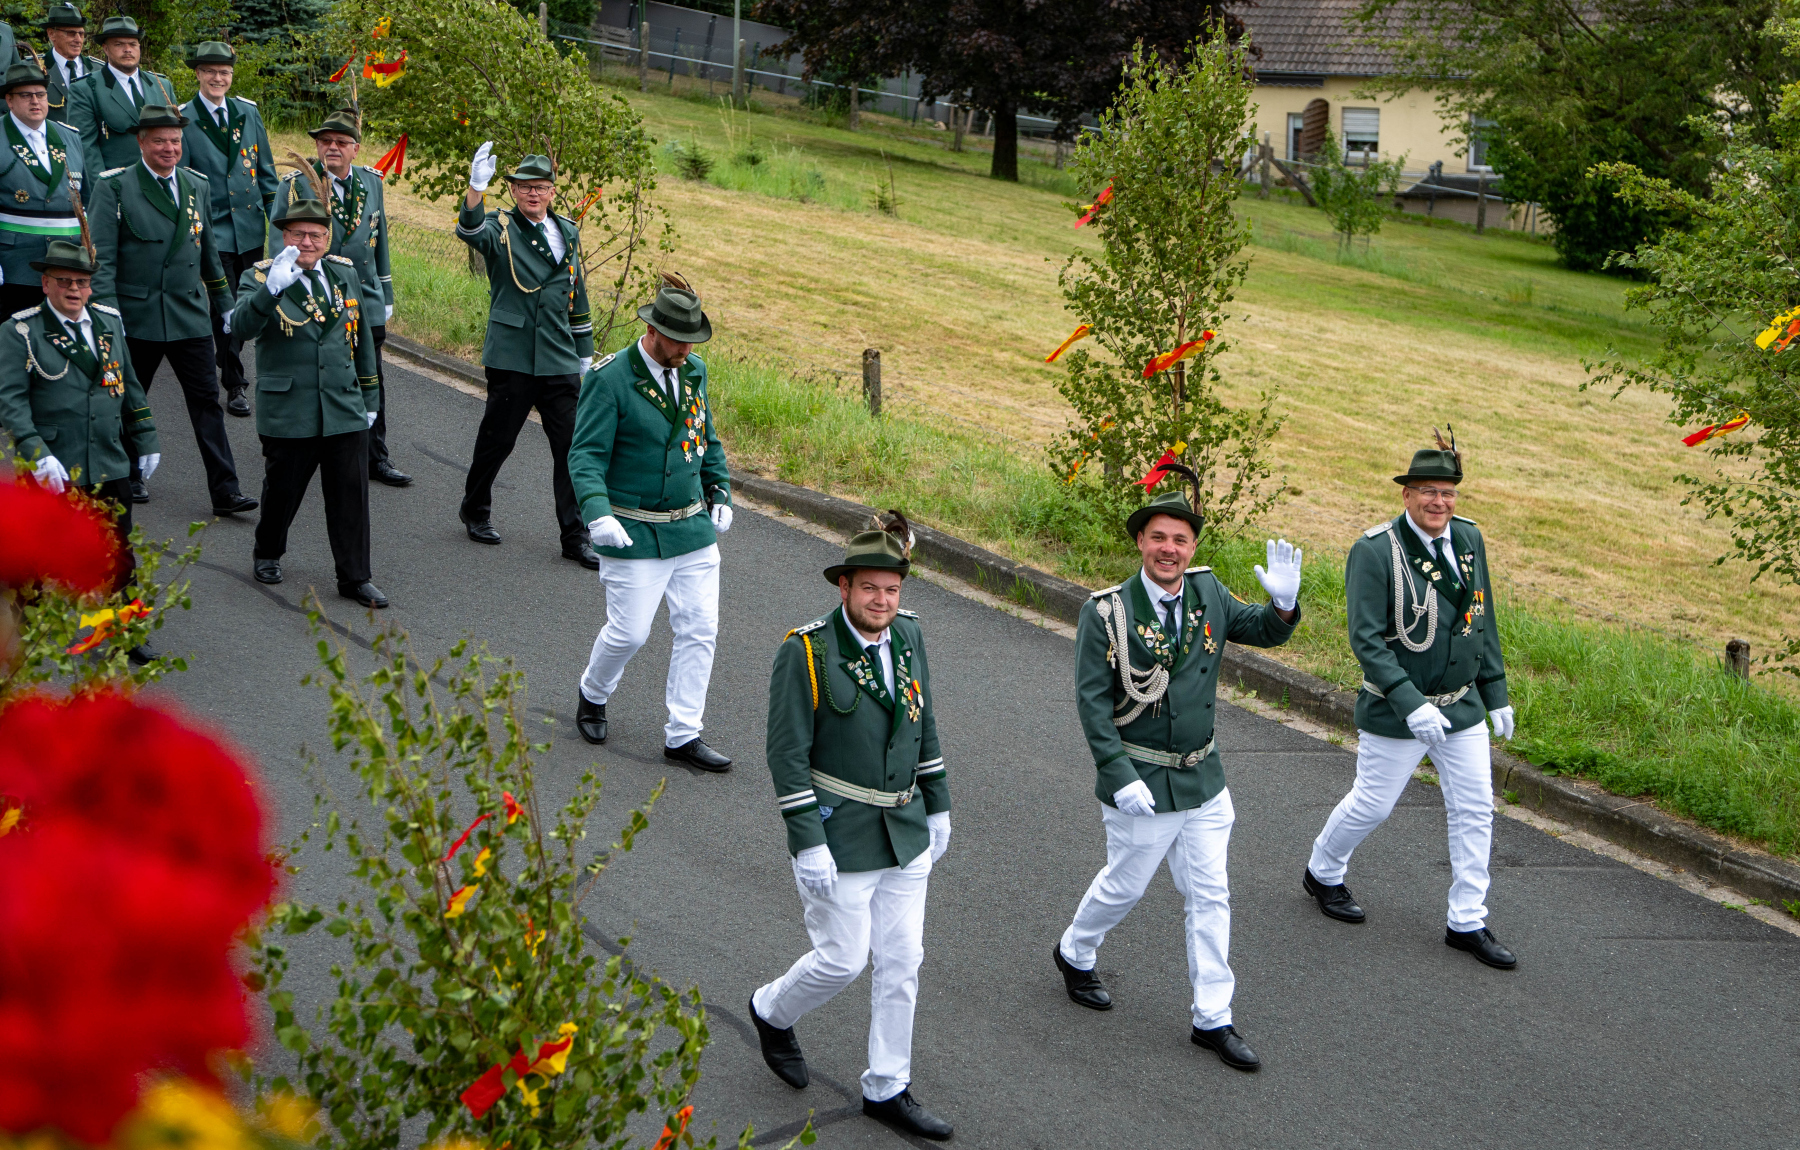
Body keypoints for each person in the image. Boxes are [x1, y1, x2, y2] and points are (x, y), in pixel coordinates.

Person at [1054, 483, 1302, 1072]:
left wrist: (1284, 606)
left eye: (1181, 540)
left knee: (1210, 895)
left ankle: (1213, 1017)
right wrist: (1118, 774)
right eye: (1159, 537)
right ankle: (1075, 950)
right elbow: (1093, 703)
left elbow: (1260, 629)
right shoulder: (1107, 612)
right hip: (1142, 781)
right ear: (1141, 541)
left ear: (1193, 548)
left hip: (1204, 780)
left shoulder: (1208, 590)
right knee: (1125, 886)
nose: (1170, 549)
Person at [750, 519, 954, 1142]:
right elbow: (787, 753)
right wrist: (807, 840)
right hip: (839, 836)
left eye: (891, 590)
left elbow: (922, 722)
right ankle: (770, 1009)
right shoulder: (807, 652)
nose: (882, 601)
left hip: (904, 828)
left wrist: (939, 804)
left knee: (903, 961)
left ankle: (887, 1085)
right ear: (844, 587)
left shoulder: (909, 634)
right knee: (841, 960)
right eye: (870, 588)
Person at [1301, 434, 1517, 969]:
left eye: (1447, 493)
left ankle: (1467, 919)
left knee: (1475, 809)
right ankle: (1323, 871)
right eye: (1427, 492)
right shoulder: (1376, 550)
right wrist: (1410, 701)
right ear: (1407, 495)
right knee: (1373, 805)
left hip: (1460, 705)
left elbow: (1481, 617)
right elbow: (1366, 639)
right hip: (1398, 709)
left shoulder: (1469, 538)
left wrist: (1494, 691)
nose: (1438, 502)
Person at [566, 278, 733, 771]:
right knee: (630, 633)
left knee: (700, 629)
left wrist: (720, 489)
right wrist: (597, 512)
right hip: (633, 528)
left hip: (691, 527)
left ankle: (684, 734)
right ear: (651, 330)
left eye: (692, 341)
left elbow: (705, 438)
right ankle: (594, 692)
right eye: (678, 340)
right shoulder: (611, 379)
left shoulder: (694, 371)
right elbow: (585, 455)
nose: (685, 350)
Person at [88, 102, 253, 517]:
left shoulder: (196, 184)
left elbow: (209, 252)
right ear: (141, 142)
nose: (169, 148)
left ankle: (226, 491)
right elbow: (101, 260)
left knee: (207, 403)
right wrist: (107, 314)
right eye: (160, 140)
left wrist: (226, 306)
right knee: (127, 399)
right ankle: (129, 473)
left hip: (188, 315)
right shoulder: (115, 187)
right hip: (136, 317)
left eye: (176, 141)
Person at [0, 237, 157, 662]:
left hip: (107, 458)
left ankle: (123, 630)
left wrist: (145, 436)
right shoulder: (20, 331)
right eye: (64, 281)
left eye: (82, 282)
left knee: (118, 553)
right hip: (53, 460)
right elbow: (11, 401)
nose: (74, 289)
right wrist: (36, 451)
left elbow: (129, 385)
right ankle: (24, 630)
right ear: (45, 284)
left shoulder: (108, 322)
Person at [229, 181, 384, 609]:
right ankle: (268, 551)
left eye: (316, 235)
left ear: (327, 238)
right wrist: (271, 291)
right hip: (291, 407)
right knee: (283, 490)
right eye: (298, 234)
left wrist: (370, 398)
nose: (307, 242)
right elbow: (240, 328)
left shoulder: (342, 273)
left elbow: (361, 340)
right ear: (284, 236)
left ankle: (355, 576)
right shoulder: (260, 276)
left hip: (342, 404)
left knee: (350, 495)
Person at [454, 144, 597, 562]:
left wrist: (584, 351)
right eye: (524, 187)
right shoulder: (500, 227)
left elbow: (576, 292)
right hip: (513, 355)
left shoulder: (567, 231)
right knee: (497, 441)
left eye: (540, 187)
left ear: (552, 191)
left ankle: (575, 537)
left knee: (572, 448)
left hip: (557, 355)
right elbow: (469, 232)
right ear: (514, 191)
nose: (533, 194)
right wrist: (476, 188)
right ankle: (475, 509)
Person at [269, 106, 405, 485]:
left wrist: (385, 291)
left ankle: (375, 456)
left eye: (342, 142)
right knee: (317, 372)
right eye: (325, 141)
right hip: (316, 299)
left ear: (355, 148)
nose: (332, 147)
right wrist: (282, 294)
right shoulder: (295, 186)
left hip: (363, 297)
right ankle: (307, 447)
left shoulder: (372, 182)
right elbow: (278, 248)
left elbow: (379, 238)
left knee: (370, 375)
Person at [179, 41, 275, 421]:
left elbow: (266, 174)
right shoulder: (184, 118)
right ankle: (235, 382)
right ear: (198, 74)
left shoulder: (247, 113)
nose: (218, 78)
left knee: (247, 301)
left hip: (249, 228)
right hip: (212, 229)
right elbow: (184, 185)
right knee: (226, 303)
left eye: (225, 72)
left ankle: (223, 356)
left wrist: (278, 225)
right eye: (211, 71)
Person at [0, 62, 86, 318]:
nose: (35, 101)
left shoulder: (70, 137)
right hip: (16, 265)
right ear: (9, 100)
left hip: (68, 266)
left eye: (40, 94)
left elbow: (87, 201)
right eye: (26, 95)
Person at [67, 16, 173, 179]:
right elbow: (86, 147)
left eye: (133, 44)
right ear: (105, 48)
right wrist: (104, 188)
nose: (127, 49)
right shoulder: (86, 89)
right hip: (117, 184)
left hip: (161, 182)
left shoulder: (161, 85)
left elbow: (175, 138)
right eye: (119, 44)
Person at [42, 4, 94, 129]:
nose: (78, 40)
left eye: (81, 34)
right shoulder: (35, 68)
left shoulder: (98, 69)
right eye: (71, 33)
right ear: (51, 34)